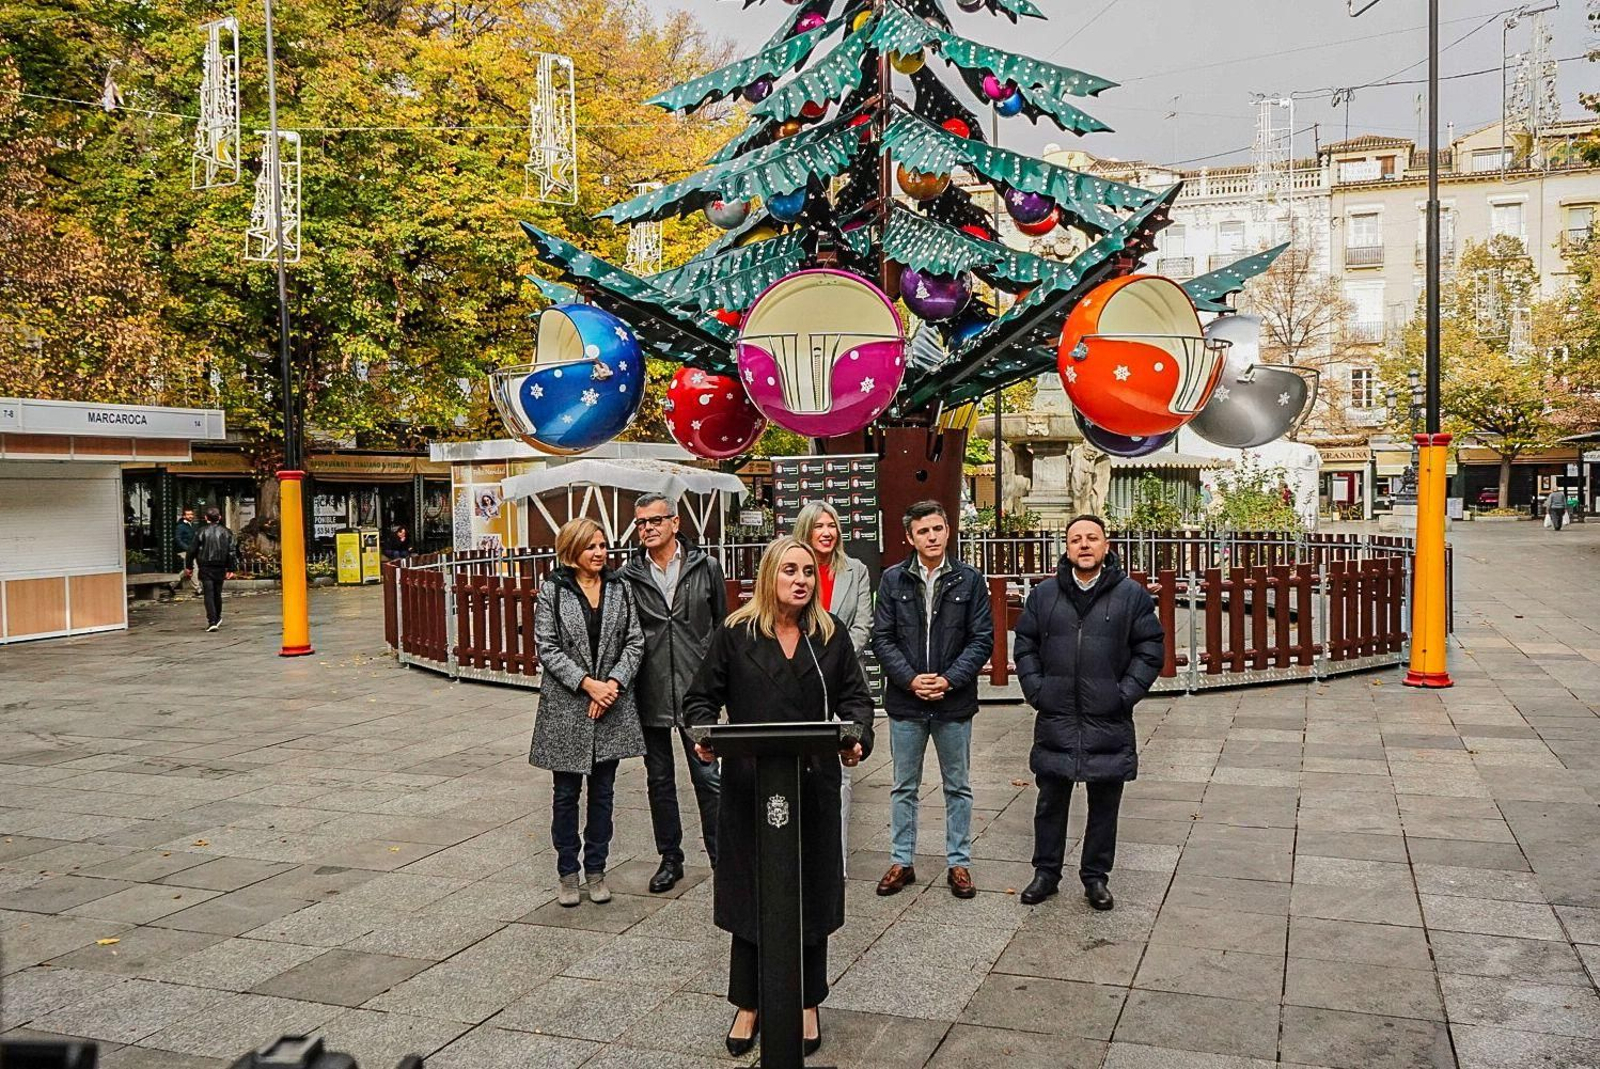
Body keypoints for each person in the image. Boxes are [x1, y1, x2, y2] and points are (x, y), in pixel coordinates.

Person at [683, 536, 874, 1057]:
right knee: (751, 889)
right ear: (770, 575)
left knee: (809, 887)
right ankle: (749, 1002)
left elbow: (857, 700)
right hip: (750, 786)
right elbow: (700, 699)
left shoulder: (829, 636)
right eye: (790, 570)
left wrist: (856, 738)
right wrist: (704, 735)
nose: (801, 580)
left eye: (808, 571)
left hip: (811, 784)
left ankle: (808, 999)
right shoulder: (736, 632)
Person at [1013, 514, 1164, 911]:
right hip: (1056, 714)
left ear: (1106, 544)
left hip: (1107, 716)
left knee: (1104, 803)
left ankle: (1096, 877)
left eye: (1091, 538)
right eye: (1076, 538)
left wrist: (1123, 694)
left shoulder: (1131, 596)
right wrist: (1037, 690)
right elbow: (1025, 644)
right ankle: (1046, 872)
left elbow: (1151, 649)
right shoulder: (1044, 596)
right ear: (1066, 546)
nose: (1084, 545)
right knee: (1050, 801)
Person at [871, 500, 993, 900]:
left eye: (938, 529)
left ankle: (959, 863)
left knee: (957, 785)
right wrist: (909, 680)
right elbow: (882, 638)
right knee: (903, 785)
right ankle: (901, 860)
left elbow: (981, 639)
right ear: (910, 537)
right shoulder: (892, 580)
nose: (932, 537)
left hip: (953, 701)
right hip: (907, 701)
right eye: (923, 531)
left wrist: (948, 680)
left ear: (948, 531)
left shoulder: (970, 580)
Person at [530, 518, 646, 908]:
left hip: (610, 705)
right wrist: (586, 683)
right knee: (565, 795)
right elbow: (546, 646)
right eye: (591, 546)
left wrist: (611, 684)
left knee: (603, 794)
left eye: (602, 545)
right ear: (571, 551)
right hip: (567, 705)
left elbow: (635, 641)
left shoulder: (620, 588)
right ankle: (567, 872)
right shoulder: (553, 591)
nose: (599, 553)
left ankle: (596, 869)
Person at [618, 492, 725, 894]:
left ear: (675, 523)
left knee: (709, 777)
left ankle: (722, 857)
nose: (647, 529)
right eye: (641, 523)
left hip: (698, 692)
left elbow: (720, 628)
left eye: (655, 521)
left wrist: (719, 684)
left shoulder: (706, 567)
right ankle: (670, 858)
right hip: (651, 689)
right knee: (659, 779)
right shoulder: (629, 576)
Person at [792, 500, 872, 875]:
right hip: (795, 683)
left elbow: (862, 627)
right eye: (819, 526)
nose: (827, 532)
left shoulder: (855, 571)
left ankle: (833, 861)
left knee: (841, 773)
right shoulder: (789, 571)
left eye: (832, 526)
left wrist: (831, 659)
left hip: (839, 679)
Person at [183, 507, 237, 632]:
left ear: (206, 518)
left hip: (205, 565)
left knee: (208, 593)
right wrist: (231, 568)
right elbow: (232, 551)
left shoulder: (200, 532)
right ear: (220, 518)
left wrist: (189, 566)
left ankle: (212, 620)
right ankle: (217, 617)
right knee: (217, 593)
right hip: (220, 566)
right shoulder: (227, 532)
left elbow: (191, 550)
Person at [174, 508, 200, 592]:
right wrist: (187, 548)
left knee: (187, 569)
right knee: (194, 567)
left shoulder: (192, 525)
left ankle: (171, 584)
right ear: (184, 516)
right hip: (184, 551)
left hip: (191, 550)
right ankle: (198, 588)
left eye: (191, 514)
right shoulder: (180, 526)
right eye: (188, 514)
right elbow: (178, 539)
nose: (190, 516)